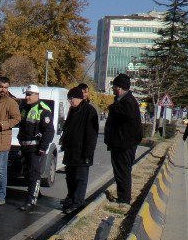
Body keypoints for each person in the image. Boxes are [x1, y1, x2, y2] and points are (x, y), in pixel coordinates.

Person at [104, 73, 142, 206]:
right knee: (120, 171)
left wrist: (112, 108)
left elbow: (124, 115)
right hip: (120, 144)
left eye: (114, 86)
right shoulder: (122, 101)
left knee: (123, 171)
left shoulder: (128, 102)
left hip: (124, 145)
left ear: (119, 88)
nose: (113, 89)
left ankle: (124, 199)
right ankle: (123, 197)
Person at [61, 87, 99, 213]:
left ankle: (77, 203)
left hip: (82, 153)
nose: (70, 101)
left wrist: (88, 153)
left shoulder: (89, 111)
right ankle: (70, 199)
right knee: (70, 177)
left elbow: (91, 134)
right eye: (69, 99)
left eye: (71, 99)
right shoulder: (72, 110)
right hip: (70, 151)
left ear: (78, 98)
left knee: (80, 179)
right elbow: (67, 127)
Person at [17, 84, 54, 211]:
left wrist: (43, 147)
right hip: (24, 147)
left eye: (29, 95)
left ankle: (31, 201)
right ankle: (35, 193)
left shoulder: (43, 109)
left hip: (35, 148)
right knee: (27, 174)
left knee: (34, 174)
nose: (27, 97)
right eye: (26, 94)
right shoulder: (24, 107)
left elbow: (49, 131)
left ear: (36, 95)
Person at [0, 77, 21, 206]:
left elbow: (17, 119)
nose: (3, 90)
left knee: (1, 170)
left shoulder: (11, 102)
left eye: (6, 87)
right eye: (1, 86)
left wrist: (1, 125)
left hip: (2, 140)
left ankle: (1, 196)